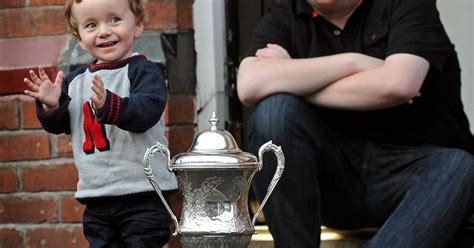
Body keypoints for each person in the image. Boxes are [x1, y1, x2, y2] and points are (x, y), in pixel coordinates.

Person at [237, 0, 474, 247]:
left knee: (461, 167)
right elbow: (249, 85)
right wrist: (353, 62)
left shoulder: (406, 4)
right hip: (331, 178)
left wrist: (288, 77)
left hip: (411, 173)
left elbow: (399, 84)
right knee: (274, 113)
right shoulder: (287, 11)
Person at [23, 0, 178, 247]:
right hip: (97, 195)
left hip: (143, 192)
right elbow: (60, 125)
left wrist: (109, 105)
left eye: (114, 19)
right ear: (80, 38)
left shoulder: (145, 72)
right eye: (91, 25)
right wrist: (52, 105)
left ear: (137, 25)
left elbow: (145, 113)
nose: (104, 31)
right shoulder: (74, 83)